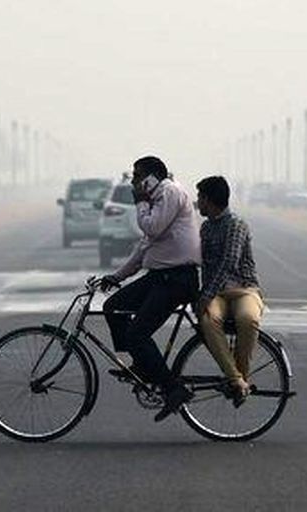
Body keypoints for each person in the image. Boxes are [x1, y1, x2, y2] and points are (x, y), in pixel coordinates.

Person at [101, 156, 201, 422]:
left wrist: (140, 201)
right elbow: (144, 246)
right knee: (113, 306)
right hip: (160, 276)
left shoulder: (169, 192)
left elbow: (151, 228)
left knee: (137, 334)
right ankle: (144, 366)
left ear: (152, 178)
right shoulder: (157, 200)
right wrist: (116, 277)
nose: (134, 182)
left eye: (137, 176)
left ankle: (173, 389)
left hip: (178, 279)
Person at [194, 175, 263, 404]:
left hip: (244, 289)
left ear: (209, 200)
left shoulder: (236, 224)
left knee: (248, 319)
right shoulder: (205, 228)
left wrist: (205, 295)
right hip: (218, 294)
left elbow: (229, 263)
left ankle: (241, 375)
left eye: (200, 198)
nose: (198, 203)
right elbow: (206, 265)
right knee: (208, 321)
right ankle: (236, 379)